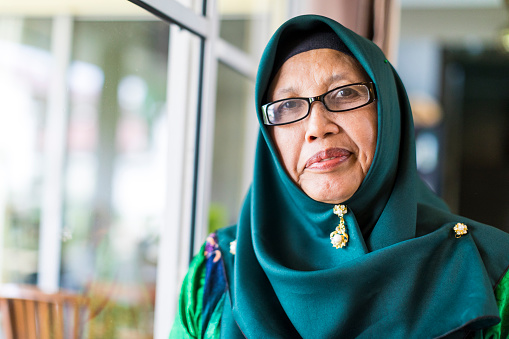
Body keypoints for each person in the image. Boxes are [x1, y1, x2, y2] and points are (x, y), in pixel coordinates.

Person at [170, 14, 509, 338]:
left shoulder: (488, 272)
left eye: (345, 93)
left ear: (388, 111)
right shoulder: (218, 274)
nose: (317, 128)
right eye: (287, 106)